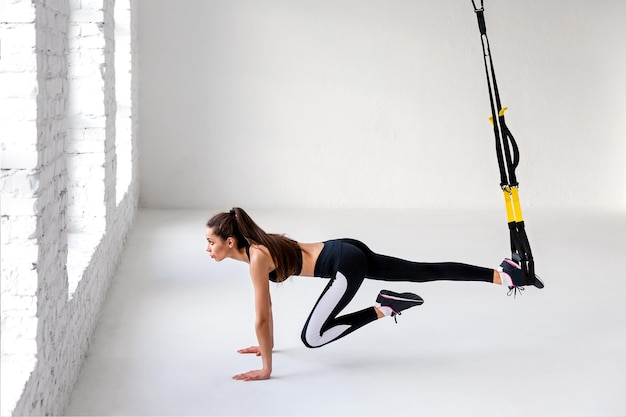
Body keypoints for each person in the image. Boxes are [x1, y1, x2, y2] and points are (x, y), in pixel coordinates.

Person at [205, 207, 544, 381]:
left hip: (343, 264)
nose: (208, 248)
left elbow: (263, 316)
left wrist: (267, 367)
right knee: (422, 271)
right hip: (344, 248)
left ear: (230, 242)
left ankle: (385, 307)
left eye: (211, 242)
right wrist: (267, 347)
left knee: (313, 337)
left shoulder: (256, 258)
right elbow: (267, 318)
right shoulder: (257, 248)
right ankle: (505, 276)